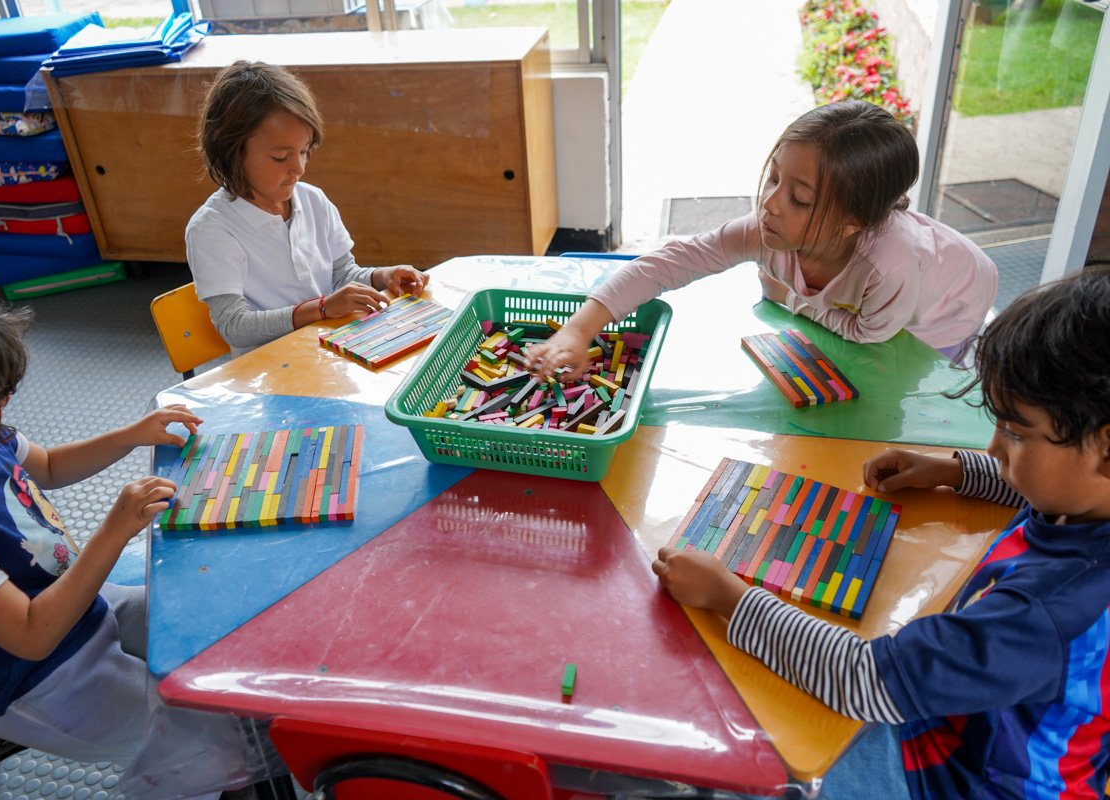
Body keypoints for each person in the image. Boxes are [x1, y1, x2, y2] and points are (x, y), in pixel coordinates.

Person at [652, 266, 1110, 800]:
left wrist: (730, 595)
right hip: (969, 725)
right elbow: (1041, 490)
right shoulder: (1084, 504)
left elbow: (865, 679)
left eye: (1015, 433)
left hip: (956, 780)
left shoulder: (1044, 615)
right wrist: (953, 470)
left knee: (765, 755)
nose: (993, 449)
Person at [0, 278, 265, 799]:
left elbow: (50, 466)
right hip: (35, 680)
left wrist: (130, 434)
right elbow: (31, 636)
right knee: (212, 749)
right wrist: (113, 532)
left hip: (82, 607)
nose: (3, 410)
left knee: (211, 618)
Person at [529, 100, 997, 375]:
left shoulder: (890, 267)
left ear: (853, 222)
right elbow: (667, 263)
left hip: (949, 303)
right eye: (774, 178)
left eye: (800, 198)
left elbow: (870, 333)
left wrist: (793, 300)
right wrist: (579, 329)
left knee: (905, 378)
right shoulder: (766, 230)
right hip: (899, 292)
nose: (770, 204)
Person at [187, 60, 431, 355]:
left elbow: (341, 276)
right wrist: (322, 308)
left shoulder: (313, 200)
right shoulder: (212, 228)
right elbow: (234, 326)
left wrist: (383, 276)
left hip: (328, 350)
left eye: (304, 152)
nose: (298, 168)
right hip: (270, 370)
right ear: (231, 152)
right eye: (280, 157)